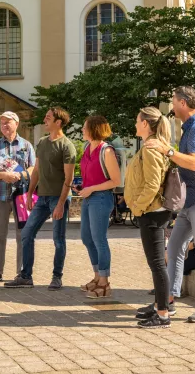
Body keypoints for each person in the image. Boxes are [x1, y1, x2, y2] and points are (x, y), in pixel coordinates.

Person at [145, 86, 195, 323]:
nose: (171, 105)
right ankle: (168, 300)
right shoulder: (188, 128)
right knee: (174, 248)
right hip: (190, 201)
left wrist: (167, 151)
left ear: (184, 103)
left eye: (173, 101)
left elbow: (194, 163)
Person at [4, 107, 76, 290]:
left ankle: (57, 276)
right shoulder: (42, 142)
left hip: (58, 198)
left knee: (58, 239)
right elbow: (36, 170)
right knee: (27, 234)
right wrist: (29, 193)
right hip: (42, 198)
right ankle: (26, 276)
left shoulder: (67, 146)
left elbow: (69, 178)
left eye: (48, 117)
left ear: (58, 122)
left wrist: (60, 204)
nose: (45, 120)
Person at [125, 107, 173, 329]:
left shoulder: (151, 149)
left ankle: (163, 314)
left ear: (145, 124)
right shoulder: (150, 146)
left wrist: (138, 207)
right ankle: (160, 307)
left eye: (137, 120)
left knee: (157, 264)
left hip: (151, 212)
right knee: (156, 264)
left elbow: (153, 184)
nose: (135, 124)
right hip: (150, 211)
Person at [0, 111, 35, 284]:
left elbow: (33, 169)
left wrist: (20, 176)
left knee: (23, 235)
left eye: (7, 122)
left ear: (17, 124)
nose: (4, 125)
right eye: (2, 123)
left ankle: (22, 272)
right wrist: (4, 176)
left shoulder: (26, 146)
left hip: (21, 196)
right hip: (1, 195)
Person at [78, 116, 120, 299]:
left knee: (99, 239)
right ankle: (96, 277)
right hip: (88, 198)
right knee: (87, 238)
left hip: (101, 198)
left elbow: (116, 181)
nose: (82, 130)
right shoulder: (88, 148)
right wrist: (82, 187)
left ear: (93, 129)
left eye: (84, 127)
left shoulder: (106, 151)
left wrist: (92, 188)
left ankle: (104, 282)